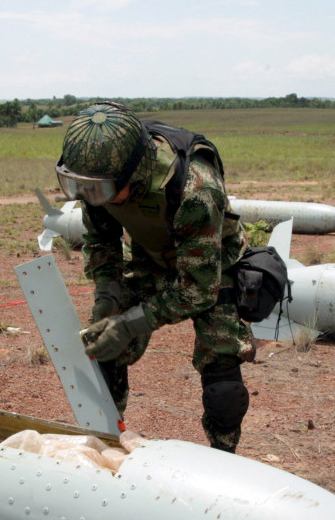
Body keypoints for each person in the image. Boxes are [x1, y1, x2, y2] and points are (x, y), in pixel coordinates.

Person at [55, 101, 254, 453]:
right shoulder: (99, 176)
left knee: (222, 381)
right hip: (152, 256)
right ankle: (103, 445)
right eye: (80, 186)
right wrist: (108, 298)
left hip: (211, 265)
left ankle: (224, 459)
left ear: (137, 172)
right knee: (102, 348)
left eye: (100, 190)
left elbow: (198, 290)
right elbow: (102, 240)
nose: (92, 197)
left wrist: (131, 323)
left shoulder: (196, 187)